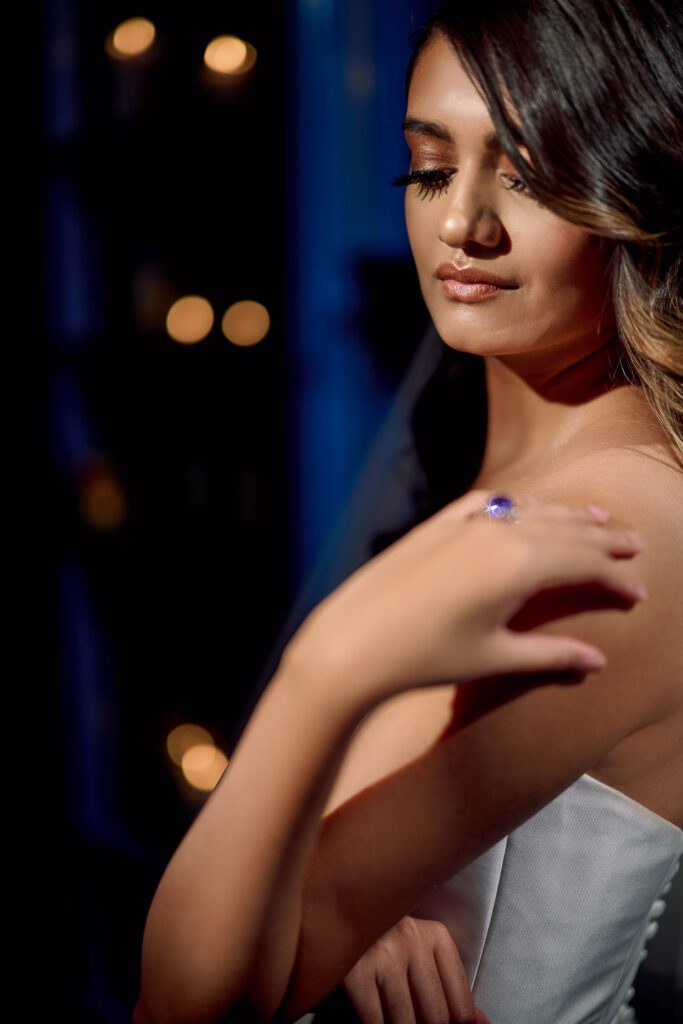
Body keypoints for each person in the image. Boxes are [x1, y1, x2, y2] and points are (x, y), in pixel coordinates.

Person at [132, 2, 683, 1023]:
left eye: (525, 174)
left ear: (632, 186)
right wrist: (337, 896)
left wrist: (326, 670)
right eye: (429, 167)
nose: (459, 224)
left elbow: (186, 1003)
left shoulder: (617, 530)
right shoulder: (499, 483)